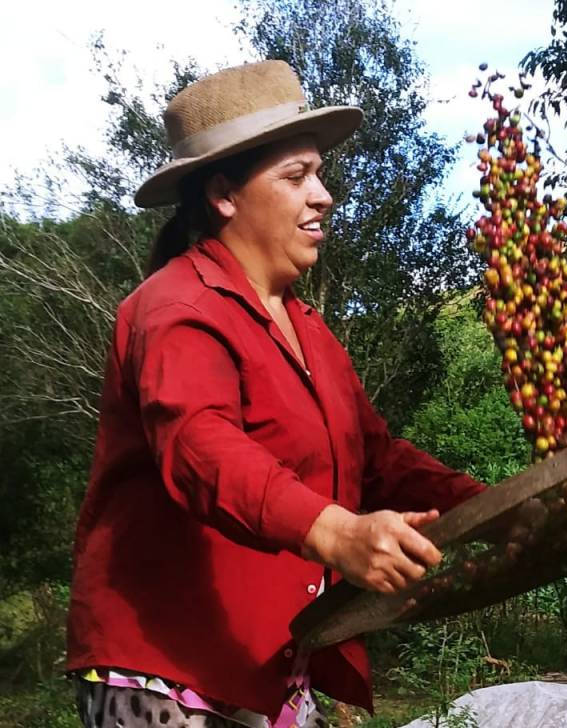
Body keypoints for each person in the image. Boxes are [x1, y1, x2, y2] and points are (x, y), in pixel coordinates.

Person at [66, 60, 486, 728]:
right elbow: (201, 449)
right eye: (296, 177)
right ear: (225, 195)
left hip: (268, 668)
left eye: (319, 174)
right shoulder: (174, 308)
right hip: (168, 671)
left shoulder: (308, 331)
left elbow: (377, 458)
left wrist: (499, 508)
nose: (322, 196)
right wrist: (338, 532)